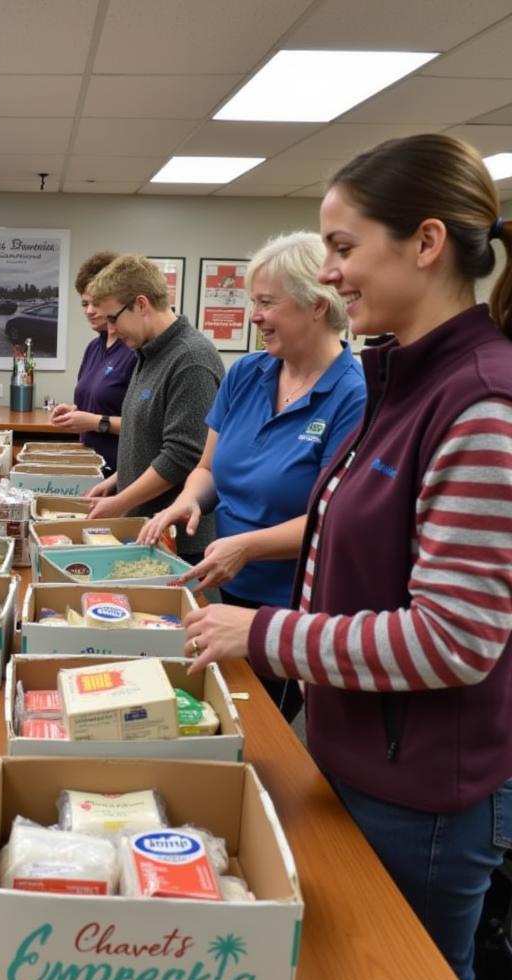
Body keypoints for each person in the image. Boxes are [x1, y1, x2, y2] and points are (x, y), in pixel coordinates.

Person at [184, 134, 512, 980]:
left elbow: (454, 641)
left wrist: (265, 630)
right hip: (357, 754)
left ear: (427, 243)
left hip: (422, 796)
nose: (329, 273)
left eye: (342, 247)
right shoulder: (406, 380)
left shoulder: (479, 401)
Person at [138, 231, 366, 717]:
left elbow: (332, 520)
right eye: (252, 302)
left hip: (291, 606)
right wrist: (189, 501)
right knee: (217, 707)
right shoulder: (246, 373)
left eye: (266, 303)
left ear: (317, 305)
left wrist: (248, 545)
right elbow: (208, 469)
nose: (254, 316)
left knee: (259, 723)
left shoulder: (354, 396)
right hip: (226, 586)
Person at [83, 253, 223, 563]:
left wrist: (121, 502)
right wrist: (117, 480)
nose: (112, 330)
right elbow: (144, 438)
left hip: (178, 543)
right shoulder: (147, 353)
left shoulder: (191, 359)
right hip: (146, 529)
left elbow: (182, 455)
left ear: (142, 304)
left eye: (113, 318)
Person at [49, 251, 135, 474]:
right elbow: (97, 405)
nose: (89, 311)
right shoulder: (94, 348)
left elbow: (146, 427)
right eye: (85, 303)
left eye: (96, 303)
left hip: (121, 472)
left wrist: (95, 422)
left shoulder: (134, 350)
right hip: (91, 468)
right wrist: (73, 413)